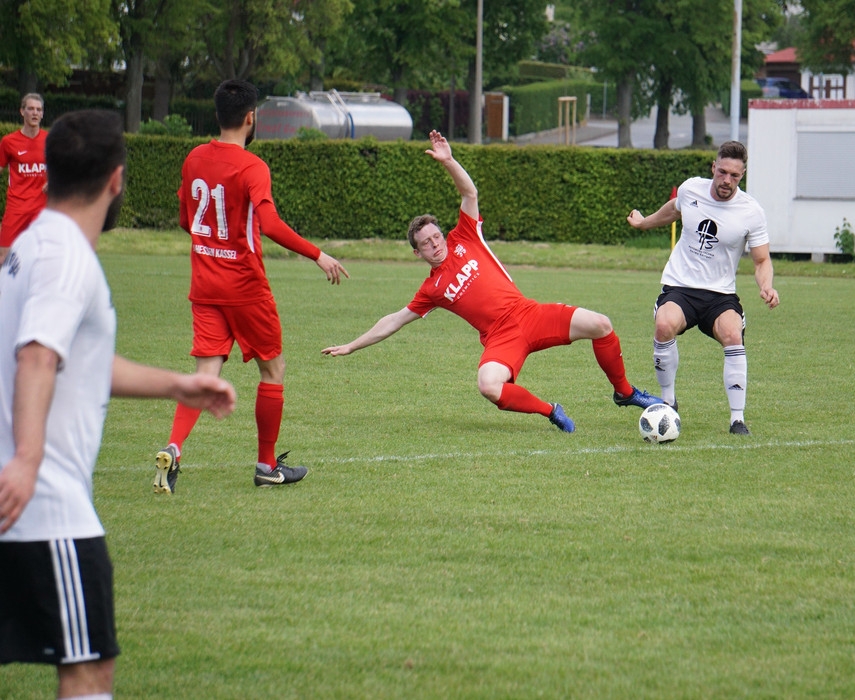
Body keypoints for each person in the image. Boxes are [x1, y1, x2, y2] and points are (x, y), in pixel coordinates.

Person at [0, 110, 236, 700]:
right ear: (116, 180)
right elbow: (36, 357)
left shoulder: (30, 245)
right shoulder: (68, 259)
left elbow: (70, 360)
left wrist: (178, 386)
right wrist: (28, 461)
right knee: (88, 674)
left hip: (21, 501)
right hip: (46, 509)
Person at [322, 130, 662, 433]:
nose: (434, 243)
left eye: (436, 236)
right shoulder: (431, 289)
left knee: (601, 324)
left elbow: (469, 193)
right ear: (418, 253)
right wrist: (352, 345)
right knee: (488, 384)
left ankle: (625, 392)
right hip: (501, 338)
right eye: (425, 243)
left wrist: (449, 161)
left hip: (528, 313)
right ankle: (551, 412)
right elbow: (394, 320)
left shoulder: (465, 236)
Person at [154, 78, 349, 494]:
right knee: (273, 370)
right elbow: (271, 224)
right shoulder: (252, 166)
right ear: (250, 118)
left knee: (206, 373)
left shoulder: (193, 159)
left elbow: (185, 220)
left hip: (204, 286)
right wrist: (319, 254)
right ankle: (265, 465)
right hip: (245, 286)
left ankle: (174, 447)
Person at [626, 140, 780, 435]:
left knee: (733, 335)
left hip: (720, 295)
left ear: (742, 175)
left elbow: (761, 261)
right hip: (681, 285)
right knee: (664, 324)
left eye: (734, 176)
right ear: (713, 167)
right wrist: (644, 223)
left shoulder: (751, 212)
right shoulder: (691, 189)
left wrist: (767, 286)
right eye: (722, 172)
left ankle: (737, 419)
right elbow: (674, 209)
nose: (726, 180)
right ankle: (668, 402)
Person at [0, 93, 48, 264]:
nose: (35, 113)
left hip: (41, 208)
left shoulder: (50, 140)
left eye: (39, 109)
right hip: (16, 207)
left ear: (42, 114)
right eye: (31, 109)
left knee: (41, 258)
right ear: (22, 111)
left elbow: (64, 167)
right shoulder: (8, 142)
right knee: (4, 258)